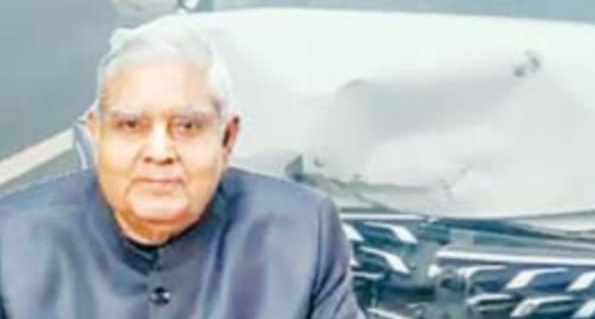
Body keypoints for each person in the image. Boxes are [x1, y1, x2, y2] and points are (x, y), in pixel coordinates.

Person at [0, 22, 363, 318]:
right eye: (131, 125)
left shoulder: (301, 233)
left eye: (187, 127)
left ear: (227, 138)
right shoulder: (12, 243)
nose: (160, 153)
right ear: (97, 134)